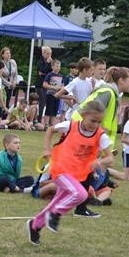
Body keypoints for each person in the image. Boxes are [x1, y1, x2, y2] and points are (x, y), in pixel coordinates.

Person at [26, 100, 114, 245]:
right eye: (92, 120)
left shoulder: (100, 135)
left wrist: (100, 162)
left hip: (77, 174)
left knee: (57, 201)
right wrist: (46, 149)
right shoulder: (70, 126)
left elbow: (110, 158)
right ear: (84, 115)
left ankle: (34, 226)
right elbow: (50, 130)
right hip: (60, 168)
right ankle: (55, 214)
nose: (95, 125)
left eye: (99, 122)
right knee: (80, 194)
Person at [71, 66, 129, 146]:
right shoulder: (107, 93)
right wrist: (96, 140)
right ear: (121, 80)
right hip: (83, 139)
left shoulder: (113, 95)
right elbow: (90, 116)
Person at [42, 59, 65, 128]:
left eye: (59, 66)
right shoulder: (49, 75)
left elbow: (63, 85)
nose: (58, 68)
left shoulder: (61, 76)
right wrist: (53, 87)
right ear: (52, 67)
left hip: (57, 96)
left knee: (55, 110)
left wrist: (61, 88)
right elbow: (44, 84)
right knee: (49, 110)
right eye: (56, 66)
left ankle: (52, 124)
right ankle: (46, 124)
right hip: (50, 94)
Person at [35, 46, 53, 122]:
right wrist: (48, 64)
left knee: (48, 102)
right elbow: (42, 70)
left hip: (48, 85)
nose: (49, 55)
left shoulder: (51, 62)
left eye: (50, 54)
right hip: (40, 85)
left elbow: (51, 72)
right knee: (41, 102)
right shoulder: (40, 62)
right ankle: (38, 120)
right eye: (47, 53)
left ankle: (47, 121)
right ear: (43, 53)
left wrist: (45, 72)